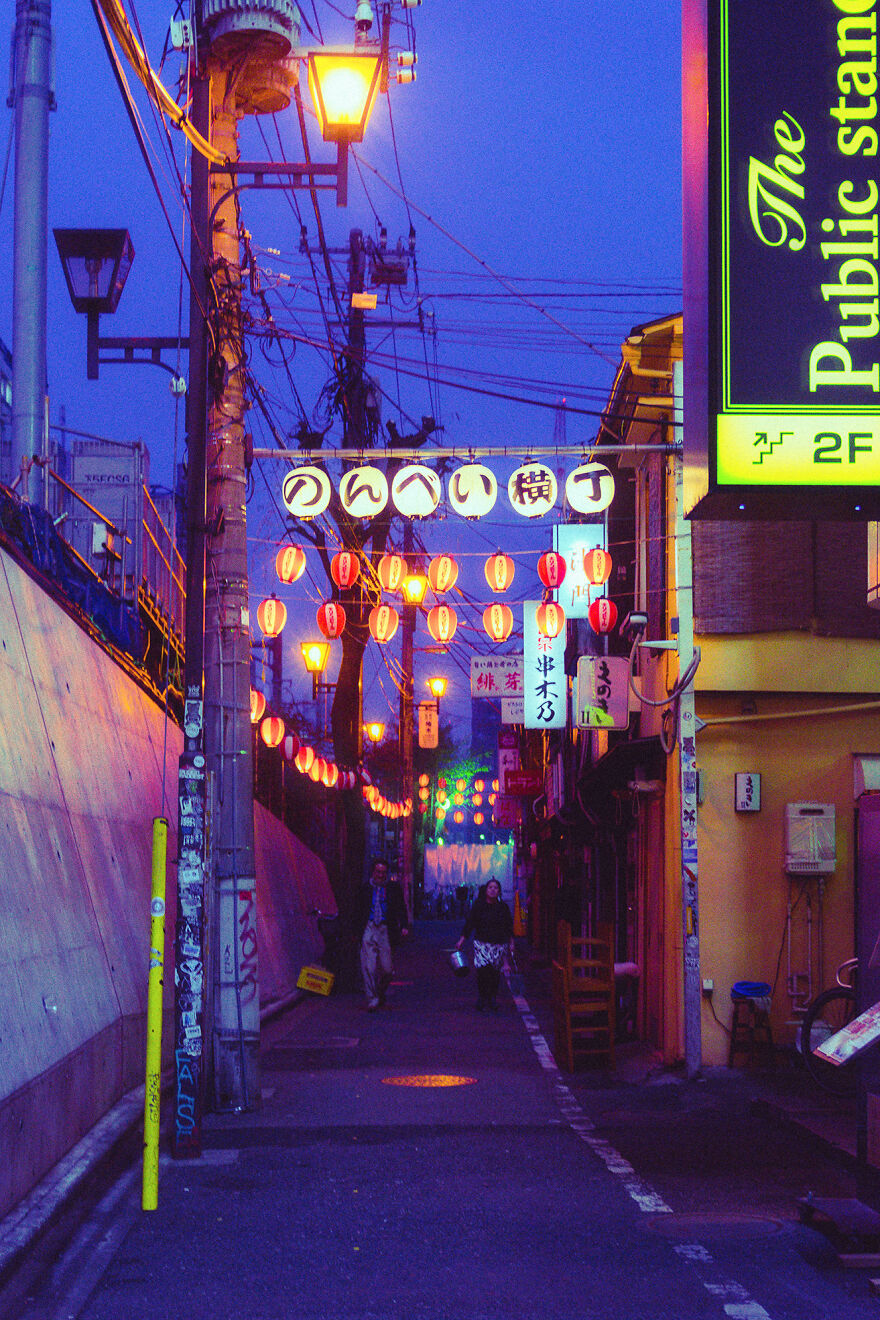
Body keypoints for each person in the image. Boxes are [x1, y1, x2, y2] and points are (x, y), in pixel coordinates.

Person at [355, 858, 409, 1010]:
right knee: (369, 966)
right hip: (369, 926)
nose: (380, 875)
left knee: (387, 969)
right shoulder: (365, 889)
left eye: (383, 872)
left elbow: (401, 907)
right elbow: (357, 909)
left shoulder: (393, 888)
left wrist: (404, 925)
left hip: (385, 929)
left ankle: (380, 991)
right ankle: (372, 999)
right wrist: (356, 930)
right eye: (378, 872)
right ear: (373, 872)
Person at [455, 876, 514, 1011]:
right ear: (486, 890)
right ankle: (482, 997)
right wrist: (462, 939)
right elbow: (470, 923)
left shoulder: (503, 907)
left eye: (496, 888)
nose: (493, 890)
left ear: (499, 891)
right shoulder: (479, 905)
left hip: (498, 944)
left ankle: (492, 998)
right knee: (482, 972)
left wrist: (511, 942)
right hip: (481, 943)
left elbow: (508, 926)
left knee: (495, 973)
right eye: (490, 887)